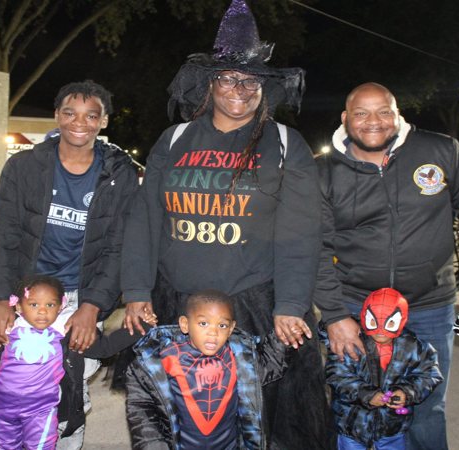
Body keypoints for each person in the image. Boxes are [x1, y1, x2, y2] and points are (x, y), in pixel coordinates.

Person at [120, 1, 332, 448]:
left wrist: (291, 304)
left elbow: (300, 233)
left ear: (264, 88)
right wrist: (136, 290)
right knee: (180, 417)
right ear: (210, 83)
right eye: (229, 78)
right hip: (175, 305)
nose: (240, 88)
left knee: (261, 422)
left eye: (251, 80)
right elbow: (145, 219)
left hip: (254, 306)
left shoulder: (284, 143)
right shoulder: (175, 139)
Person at [314, 82, 459, 450]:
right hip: (356, 306)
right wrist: (335, 315)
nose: (374, 121)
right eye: (361, 113)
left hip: (429, 304)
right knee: (351, 402)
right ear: (345, 118)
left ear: (398, 114)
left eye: (384, 111)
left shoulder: (441, 150)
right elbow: (314, 246)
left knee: (427, 406)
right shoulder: (322, 171)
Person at [0, 80, 140, 448]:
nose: (79, 122)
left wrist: (92, 306)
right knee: (15, 384)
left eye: (91, 115)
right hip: (27, 296)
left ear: (103, 121)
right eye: (70, 113)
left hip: (79, 299)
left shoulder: (119, 175)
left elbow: (119, 247)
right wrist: (1, 299)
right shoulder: (24, 166)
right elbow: (3, 234)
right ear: (57, 115)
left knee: (69, 391)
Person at [0, 275, 150, 449]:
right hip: (2, 409)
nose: (42, 311)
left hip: (41, 412)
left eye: (50, 305)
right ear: (18, 306)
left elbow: (105, 347)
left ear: (61, 306)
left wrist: (142, 325)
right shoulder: (8, 329)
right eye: (34, 305)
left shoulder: (65, 331)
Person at [126, 289, 287, 449]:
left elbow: (269, 366)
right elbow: (142, 408)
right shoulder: (159, 361)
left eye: (222, 325)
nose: (213, 333)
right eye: (203, 323)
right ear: (185, 324)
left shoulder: (240, 357)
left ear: (231, 329)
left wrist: (284, 337)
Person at [325, 288, 443, 450]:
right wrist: (366, 394)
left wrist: (407, 392)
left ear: (402, 320)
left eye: (390, 323)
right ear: (364, 316)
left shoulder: (414, 347)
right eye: (373, 322)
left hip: (393, 426)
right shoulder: (350, 345)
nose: (380, 330)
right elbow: (337, 375)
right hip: (352, 424)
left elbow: (429, 374)